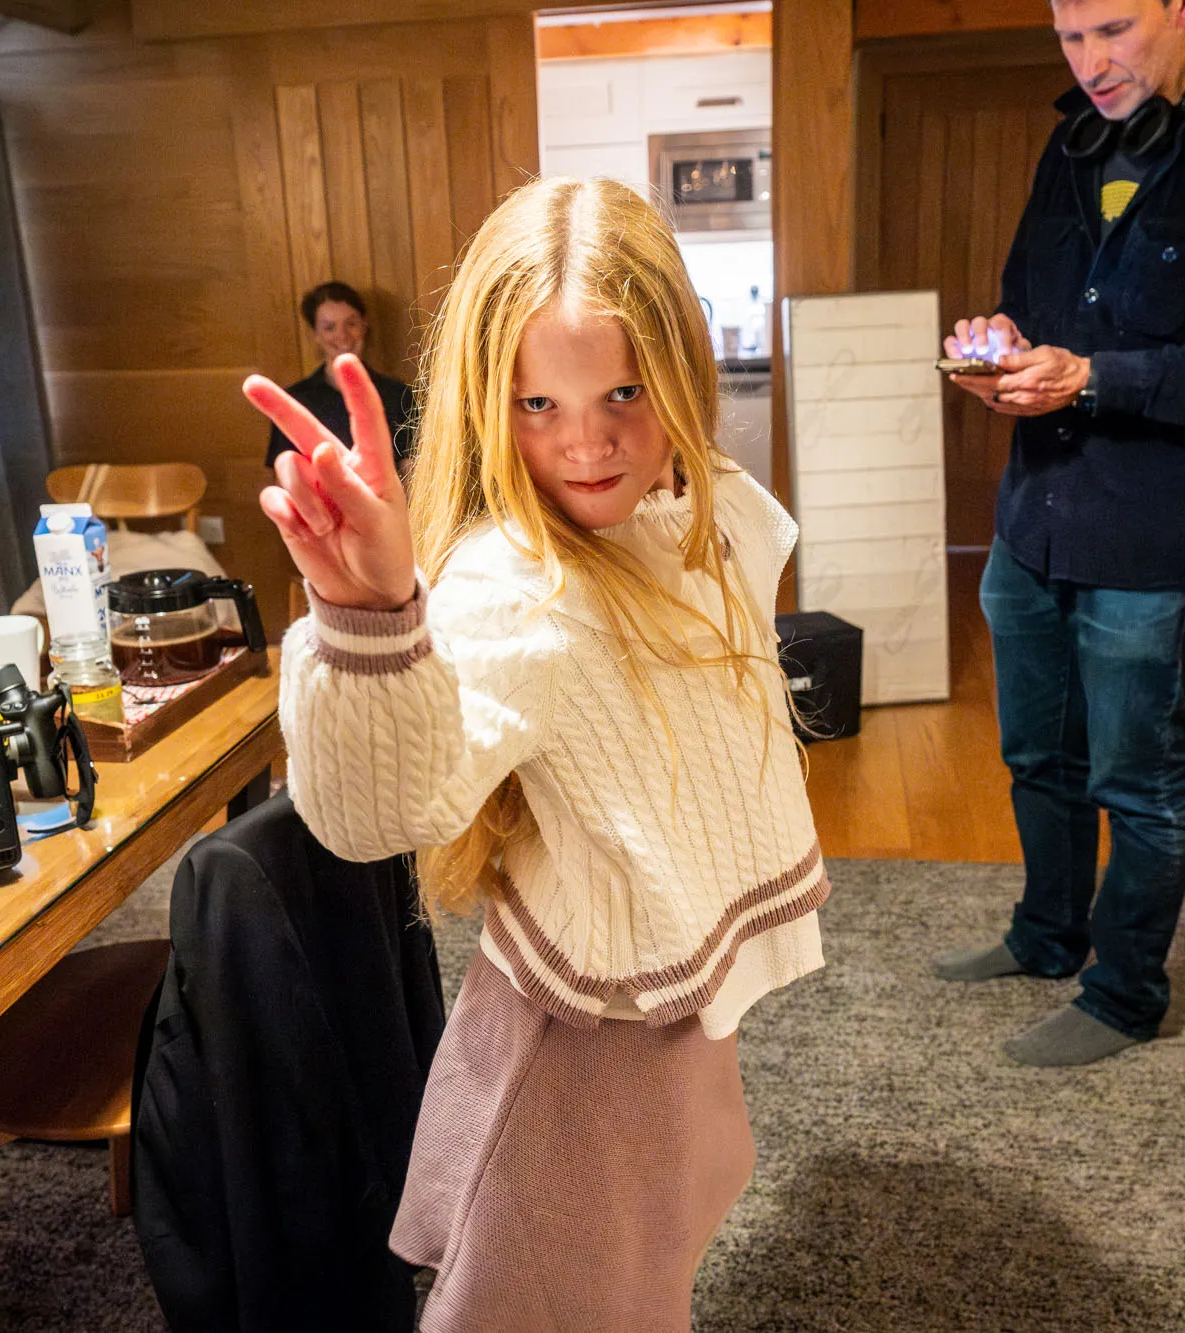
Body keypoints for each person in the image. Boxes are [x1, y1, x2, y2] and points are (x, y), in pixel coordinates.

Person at [242, 176, 827, 1330]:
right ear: (483, 401)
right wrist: (368, 618)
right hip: (582, 1048)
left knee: (649, 1263)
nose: (588, 441)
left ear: (677, 372)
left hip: (665, 1007)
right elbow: (379, 811)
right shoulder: (517, 590)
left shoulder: (687, 513)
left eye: (622, 390)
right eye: (536, 405)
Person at [931, 0, 1185, 1066]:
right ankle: (1044, 935)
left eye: (1112, 29)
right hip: (1033, 517)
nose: (1090, 60)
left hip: (1156, 532)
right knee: (1036, 755)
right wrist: (1001, 351)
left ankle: (1122, 993)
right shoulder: (1071, 140)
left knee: (1135, 776)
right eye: (1070, 36)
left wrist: (1090, 377)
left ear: (1180, 5)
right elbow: (1034, 311)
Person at [264, 280, 419, 471]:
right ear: (316, 334)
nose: (342, 336)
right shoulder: (294, 401)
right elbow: (284, 475)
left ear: (364, 325)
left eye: (351, 323)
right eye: (329, 327)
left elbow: (413, 469)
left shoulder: (399, 395)